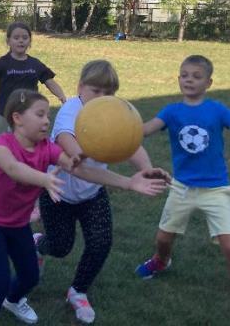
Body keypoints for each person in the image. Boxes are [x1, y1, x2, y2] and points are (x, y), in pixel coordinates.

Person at [0, 89, 166, 326]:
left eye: (47, 115)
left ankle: (12, 300)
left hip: (17, 223)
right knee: (0, 281)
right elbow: (13, 168)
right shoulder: (2, 145)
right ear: (17, 118)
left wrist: (128, 182)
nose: (47, 121)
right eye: (40, 115)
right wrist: (44, 179)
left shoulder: (47, 148)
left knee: (30, 276)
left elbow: (81, 170)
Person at [135, 54, 230, 326]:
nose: (189, 80)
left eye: (196, 76)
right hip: (181, 188)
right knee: (163, 239)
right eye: (184, 75)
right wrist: (118, 126)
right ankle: (161, 261)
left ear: (209, 82)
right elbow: (144, 130)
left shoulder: (218, 110)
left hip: (215, 190)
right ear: (178, 79)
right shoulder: (171, 111)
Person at [35, 60, 169, 324]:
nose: (101, 97)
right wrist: (126, 181)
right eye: (95, 91)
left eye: (108, 92)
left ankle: (78, 291)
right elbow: (76, 162)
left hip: (92, 193)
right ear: (80, 88)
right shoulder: (69, 112)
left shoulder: (113, 111)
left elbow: (130, 143)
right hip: (58, 193)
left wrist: (147, 170)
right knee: (60, 247)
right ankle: (38, 244)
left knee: (100, 243)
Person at [0, 22, 67, 217]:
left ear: (30, 41)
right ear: (8, 41)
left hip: (28, 121)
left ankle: (33, 204)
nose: (21, 41)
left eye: (24, 38)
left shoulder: (35, 65)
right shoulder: (2, 64)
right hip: (2, 116)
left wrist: (63, 97)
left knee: (31, 156)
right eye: (16, 37)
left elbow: (50, 82)